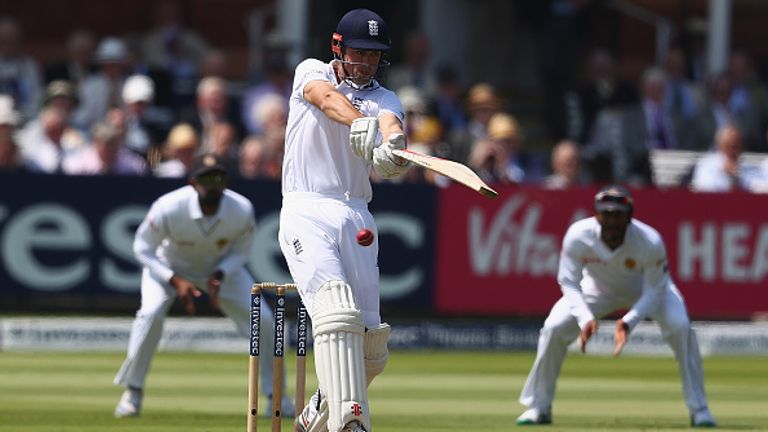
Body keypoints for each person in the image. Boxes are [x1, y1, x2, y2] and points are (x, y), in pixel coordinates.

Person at [278, 8, 410, 432]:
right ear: (339, 48)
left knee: (371, 349)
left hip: (356, 214)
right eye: (359, 53)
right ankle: (352, 425)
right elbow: (326, 99)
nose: (367, 62)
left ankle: (315, 413)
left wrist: (393, 148)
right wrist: (362, 124)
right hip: (306, 206)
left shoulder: (385, 98)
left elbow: (390, 124)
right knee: (336, 313)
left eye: (375, 56)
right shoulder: (311, 70)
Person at [516, 185, 717, 428]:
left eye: (618, 215)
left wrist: (629, 321)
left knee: (680, 326)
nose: (611, 221)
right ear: (597, 214)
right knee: (554, 327)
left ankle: (700, 409)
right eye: (606, 214)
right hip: (597, 288)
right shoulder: (578, 234)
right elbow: (568, 281)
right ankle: (539, 406)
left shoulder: (649, 241)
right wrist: (585, 319)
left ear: (629, 215)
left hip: (647, 289)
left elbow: (655, 289)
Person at [113, 153, 293, 418]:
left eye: (218, 178)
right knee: (150, 314)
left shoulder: (240, 209)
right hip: (168, 267)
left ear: (226, 181)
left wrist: (220, 274)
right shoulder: (169, 206)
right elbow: (142, 248)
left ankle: (276, 397)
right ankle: (133, 392)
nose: (212, 184)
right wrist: (174, 280)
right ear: (193, 182)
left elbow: (242, 252)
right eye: (206, 179)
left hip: (219, 270)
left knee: (264, 320)